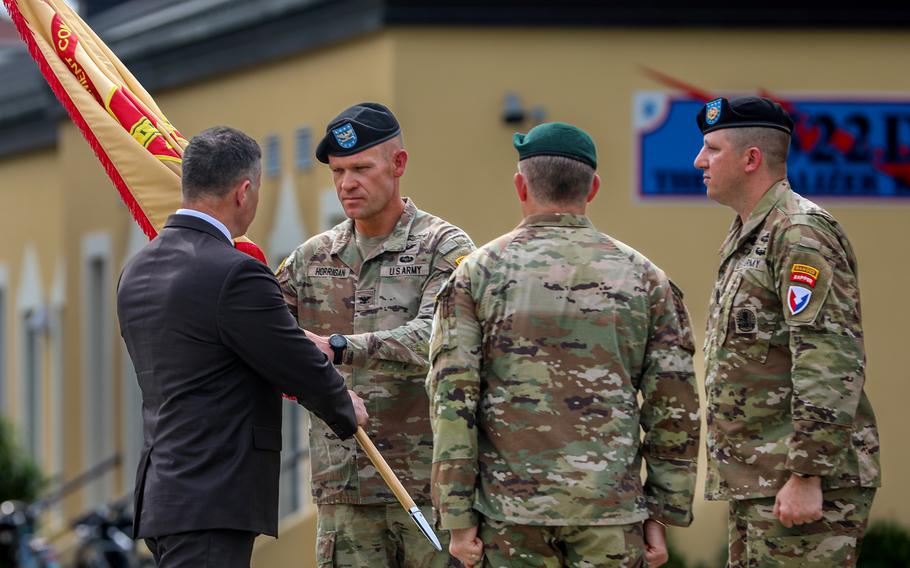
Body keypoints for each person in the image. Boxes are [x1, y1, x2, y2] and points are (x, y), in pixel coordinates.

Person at [427, 122, 701, 568]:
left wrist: (458, 517)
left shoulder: (476, 275)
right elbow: (675, 407)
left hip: (510, 516)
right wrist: (663, 512)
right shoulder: (645, 278)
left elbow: (452, 401)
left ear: (521, 185)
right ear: (593, 188)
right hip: (610, 514)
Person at [117, 126, 368, 568]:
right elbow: (290, 357)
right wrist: (343, 404)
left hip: (164, 490)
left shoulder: (137, 270)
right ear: (244, 190)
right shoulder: (234, 273)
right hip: (213, 492)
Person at [276, 102, 474, 567]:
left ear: (398, 164)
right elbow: (266, 337)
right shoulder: (310, 259)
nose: (347, 184)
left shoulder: (445, 247)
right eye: (339, 171)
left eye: (362, 168)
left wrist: (340, 348)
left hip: (427, 486)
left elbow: (440, 336)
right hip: (344, 487)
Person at [694, 96, 882, 567]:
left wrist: (807, 474)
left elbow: (828, 357)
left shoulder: (798, 233)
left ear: (751, 159)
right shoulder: (751, 233)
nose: (700, 161)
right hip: (762, 480)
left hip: (799, 482)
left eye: (712, 149)